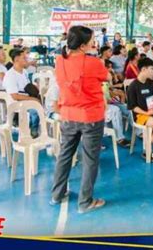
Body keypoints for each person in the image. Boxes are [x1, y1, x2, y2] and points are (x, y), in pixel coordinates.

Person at [50, 26, 108, 213]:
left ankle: (56, 195)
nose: (94, 43)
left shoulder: (59, 61)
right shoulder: (94, 63)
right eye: (91, 40)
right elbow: (104, 77)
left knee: (64, 155)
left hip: (67, 115)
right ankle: (85, 202)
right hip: (90, 116)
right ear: (83, 45)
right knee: (90, 160)